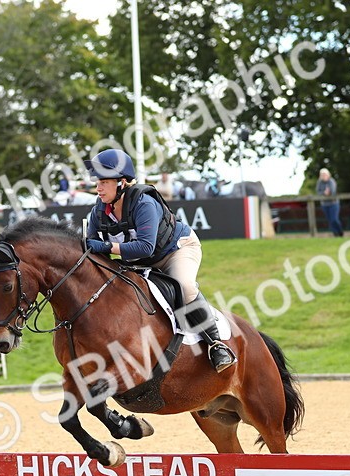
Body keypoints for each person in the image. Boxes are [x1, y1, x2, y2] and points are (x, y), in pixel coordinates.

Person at [83, 148, 236, 372]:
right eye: (98, 181)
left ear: (122, 183)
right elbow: (92, 248)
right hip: (143, 261)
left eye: (104, 182)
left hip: (176, 250)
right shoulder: (98, 211)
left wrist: (106, 246)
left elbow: (145, 247)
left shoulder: (143, 203)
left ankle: (216, 344)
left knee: (183, 285)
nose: (98, 187)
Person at [315, 168, 342, 237]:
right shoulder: (319, 182)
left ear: (328, 174)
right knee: (330, 220)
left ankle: (340, 232)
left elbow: (333, 191)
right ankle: (335, 234)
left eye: (325, 174)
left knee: (334, 219)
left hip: (334, 203)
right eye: (322, 175)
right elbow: (318, 192)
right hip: (324, 204)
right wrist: (324, 193)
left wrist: (328, 192)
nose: (323, 176)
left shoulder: (331, 181)